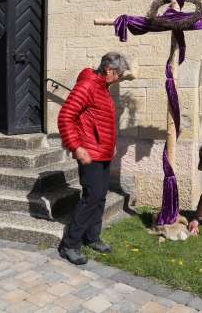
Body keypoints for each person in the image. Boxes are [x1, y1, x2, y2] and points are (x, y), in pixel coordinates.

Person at [57, 52, 130, 265]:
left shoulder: (102, 88)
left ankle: (92, 237)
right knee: (92, 197)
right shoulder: (87, 86)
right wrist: (76, 147)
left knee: (100, 197)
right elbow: (65, 116)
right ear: (109, 70)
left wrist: (111, 145)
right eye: (119, 74)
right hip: (89, 153)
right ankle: (69, 245)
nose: (119, 78)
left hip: (103, 152)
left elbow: (101, 120)